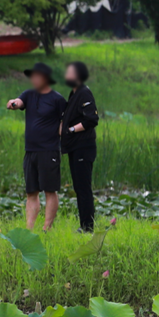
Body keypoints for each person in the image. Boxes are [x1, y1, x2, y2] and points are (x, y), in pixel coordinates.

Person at [7, 62, 67, 232]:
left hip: (49, 150)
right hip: (30, 151)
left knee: (50, 190)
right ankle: (29, 229)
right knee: (31, 192)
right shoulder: (28, 95)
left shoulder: (58, 99)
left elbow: (65, 123)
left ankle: (46, 229)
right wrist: (13, 103)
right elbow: (18, 102)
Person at [61, 61, 100, 232]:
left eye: (69, 73)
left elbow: (91, 119)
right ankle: (84, 225)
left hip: (84, 147)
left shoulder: (84, 93)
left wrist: (70, 130)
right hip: (74, 148)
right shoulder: (73, 94)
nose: (66, 76)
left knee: (83, 188)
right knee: (78, 187)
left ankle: (87, 227)